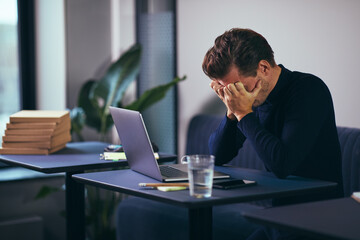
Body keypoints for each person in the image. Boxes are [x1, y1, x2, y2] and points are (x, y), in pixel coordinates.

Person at [202, 28, 344, 239]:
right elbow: (218, 156)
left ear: (263, 67)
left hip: (317, 220)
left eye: (236, 87)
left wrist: (243, 112)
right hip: (278, 217)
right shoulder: (253, 97)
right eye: (226, 89)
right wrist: (231, 113)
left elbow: (282, 164)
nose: (234, 94)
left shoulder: (309, 90)